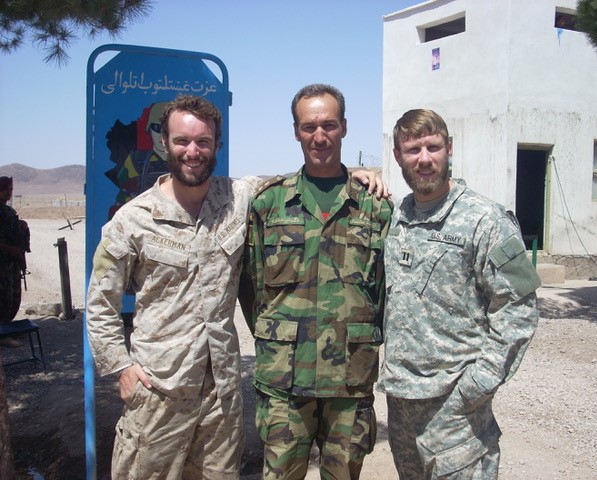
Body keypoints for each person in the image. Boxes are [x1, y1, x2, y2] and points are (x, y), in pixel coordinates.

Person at [86, 94, 386, 479]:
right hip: (160, 392)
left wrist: (359, 173)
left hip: (221, 397)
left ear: (217, 145)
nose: (192, 151)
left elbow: (311, 177)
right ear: (165, 144)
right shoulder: (132, 220)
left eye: (203, 142)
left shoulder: (238, 198)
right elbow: (100, 305)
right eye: (182, 141)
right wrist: (121, 367)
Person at [239, 84, 393, 479]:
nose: (319, 136)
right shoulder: (268, 203)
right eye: (309, 127)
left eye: (329, 125)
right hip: (284, 381)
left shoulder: (374, 205)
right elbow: (251, 287)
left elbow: (385, 289)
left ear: (344, 128)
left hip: (349, 379)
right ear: (296, 131)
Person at [378, 109, 541, 479]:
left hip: (456, 409)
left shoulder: (487, 219)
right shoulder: (398, 217)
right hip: (401, 403)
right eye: (412, 149)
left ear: (449, 149)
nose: (424, 159)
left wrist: (477, 385)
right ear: (397, 156)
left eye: (433, 147)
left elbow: (518, 308)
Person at [0, 176, 29, 345]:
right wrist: (8, 249)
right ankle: (3, 335)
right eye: (7, 189)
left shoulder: (7, 210)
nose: (10, 192)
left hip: (12, 261)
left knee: (13, 297)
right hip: (2, 262)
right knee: (4, 298)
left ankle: (7, 329)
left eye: (11, 189)